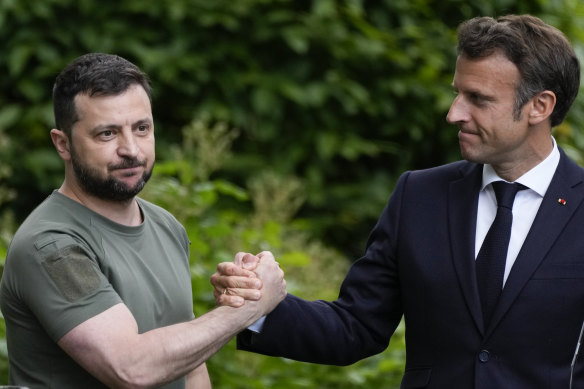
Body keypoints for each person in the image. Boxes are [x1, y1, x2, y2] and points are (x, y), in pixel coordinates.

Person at [211, 14, 583, 388]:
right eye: (457, 92)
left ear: (540, 106)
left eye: (478, 99)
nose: (454, 113)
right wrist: (256, 305)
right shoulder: (419, 196)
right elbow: (355, 326)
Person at [0, 53, 286, 388]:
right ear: (63, 144)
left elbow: (189, 365)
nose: (131, 149)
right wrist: (250, 306)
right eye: (107, 134)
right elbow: (131, 368)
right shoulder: (52, 247)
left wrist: (242, 292)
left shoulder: (166, 226)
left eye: (141, 128)